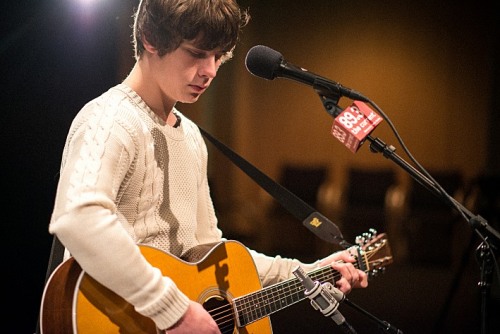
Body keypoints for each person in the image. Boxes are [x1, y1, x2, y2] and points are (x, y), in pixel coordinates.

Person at [48, 0, 368, 333]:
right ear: (150, 38)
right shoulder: (110, 120)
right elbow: (78, 217)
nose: (211, 70)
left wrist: (308, 272)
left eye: (218, 56)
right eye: (198, 53)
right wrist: (173, 310)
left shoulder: (190, 138)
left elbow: (215, 259)